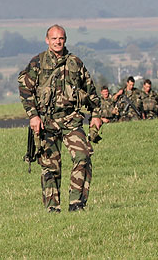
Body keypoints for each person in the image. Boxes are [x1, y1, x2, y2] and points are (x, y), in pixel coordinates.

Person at [18, 24, 102, 212]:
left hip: (71, 120)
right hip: (46, 122)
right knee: (50, 166)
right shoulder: (37, 63)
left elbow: (91, 92)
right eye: (54, 38)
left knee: (83, 156)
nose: (58, 42)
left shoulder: (75, 63)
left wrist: (96, 115)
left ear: (65, 40)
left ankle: (76, 203)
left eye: (61, 38)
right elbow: (25, 89)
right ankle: (52, 208)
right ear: (47, 40)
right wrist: (33, 116)